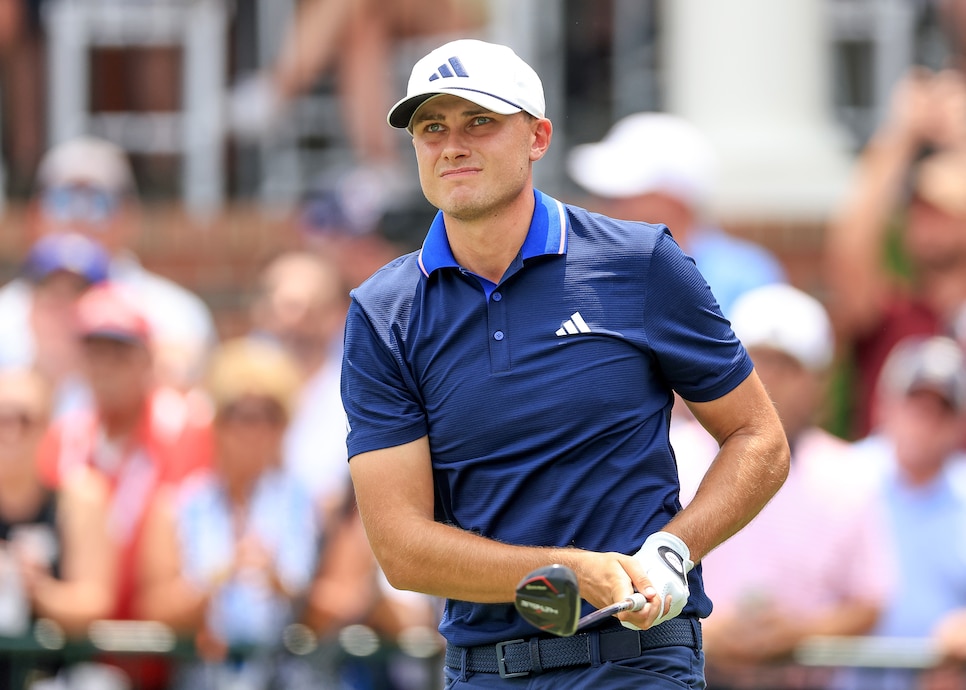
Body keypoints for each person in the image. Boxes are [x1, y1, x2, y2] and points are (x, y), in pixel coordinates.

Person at [340, 38, 790, 687]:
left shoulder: (640, 263)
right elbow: (401, 548)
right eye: (431, 127)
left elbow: (760, 438)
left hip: (642, 663)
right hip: (486, 669)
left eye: (480, 122)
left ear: (537, 137)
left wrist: (675, 548)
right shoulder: (384, 311)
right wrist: (568, 572)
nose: (452, 145)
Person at [673, 284, 896, 689]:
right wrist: (701, 629)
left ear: (820, 384)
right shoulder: (671, 455)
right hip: (691, 677)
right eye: (757, 361)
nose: (769, 379)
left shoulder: (849, 473)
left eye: (788, 366)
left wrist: (802, 634)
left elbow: (869, 600)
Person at [136, 337, 321, 689]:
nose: (260, 431)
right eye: (246, 415)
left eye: (274, 416)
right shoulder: (179, 503)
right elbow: (156, 609)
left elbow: (312, 602)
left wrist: (274, 579)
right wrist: (220, 577)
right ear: (219, 421)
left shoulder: (300, 500)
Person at [0, 135, 219, 392]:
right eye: (62, 200)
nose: (78, 218)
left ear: (129, 215)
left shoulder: (175, 316)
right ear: (34, 213)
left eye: (97, 202)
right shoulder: (5, 314)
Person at [824, 68, 966, 439]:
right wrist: (899, 134)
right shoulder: (893, 314)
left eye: (945, 207)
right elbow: (849, 255)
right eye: (920, 207)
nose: (928, 219)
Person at [831, 334, 966, 688]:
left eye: (942, 409)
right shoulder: (839, 476)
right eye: (916, 404)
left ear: (959, 423)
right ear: (885, 405)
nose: (927, 421)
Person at [566, 111, 787, 318]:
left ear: (672, 199)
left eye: (622, 195)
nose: (607, 207)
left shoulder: (745, 276)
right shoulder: (590, 270)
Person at [0, 366, 118, 689]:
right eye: (1, 418)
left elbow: (94, 603)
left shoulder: (79, 499)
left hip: (58, 677)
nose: (10, 432)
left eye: (23, 419)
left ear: (47, 426)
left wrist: (37, 589)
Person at [0, 232, 110, 418]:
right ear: (31, 303)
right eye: (51, 294)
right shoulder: (6, 381)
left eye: (76, 294)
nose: (62, 308)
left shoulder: (119, 399)